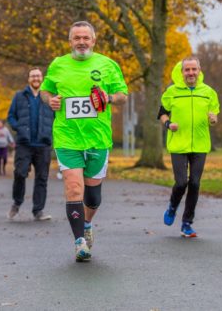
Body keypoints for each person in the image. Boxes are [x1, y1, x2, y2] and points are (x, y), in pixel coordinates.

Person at [40, 20, 128, 262]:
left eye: (85, 38)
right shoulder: (58, 65)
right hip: (67, 138)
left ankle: (87, 224)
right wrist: (51, 101)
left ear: (93, 40)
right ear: (70, 41)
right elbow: (45, 91)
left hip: (98, 139)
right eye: (77, 38)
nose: (81, 42)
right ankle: (79, 242)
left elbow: (123, 96)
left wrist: (108, 97)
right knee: (73, 188)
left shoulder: (108, 65)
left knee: (93, 196)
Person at [158, 57, 220, 238]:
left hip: (200, 144)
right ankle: (172, 207)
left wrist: (213, 119)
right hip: (178, 144)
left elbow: (214, 113)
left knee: (194, 183)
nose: (191, 73)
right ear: (182, 71)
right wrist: (169, 124)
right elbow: (161, 113)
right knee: (181, 182)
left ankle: (187, 223)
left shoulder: (208, 92)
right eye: (187, 70)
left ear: (200, 70)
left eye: (194, 69)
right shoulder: (172, 92)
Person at [7, 67, 55, 221]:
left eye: (38, 76)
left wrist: (50, 131)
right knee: (20, 173)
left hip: (43, 144)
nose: (36, 78)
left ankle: (38, 210)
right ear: (28, 79)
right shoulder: (19, 96)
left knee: (42, 178)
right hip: (24, 144)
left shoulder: (49, 97)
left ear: (42, 78)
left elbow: (57, 117)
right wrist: (19, 128)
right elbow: (11, 116)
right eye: (33, 76)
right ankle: (17, 202)